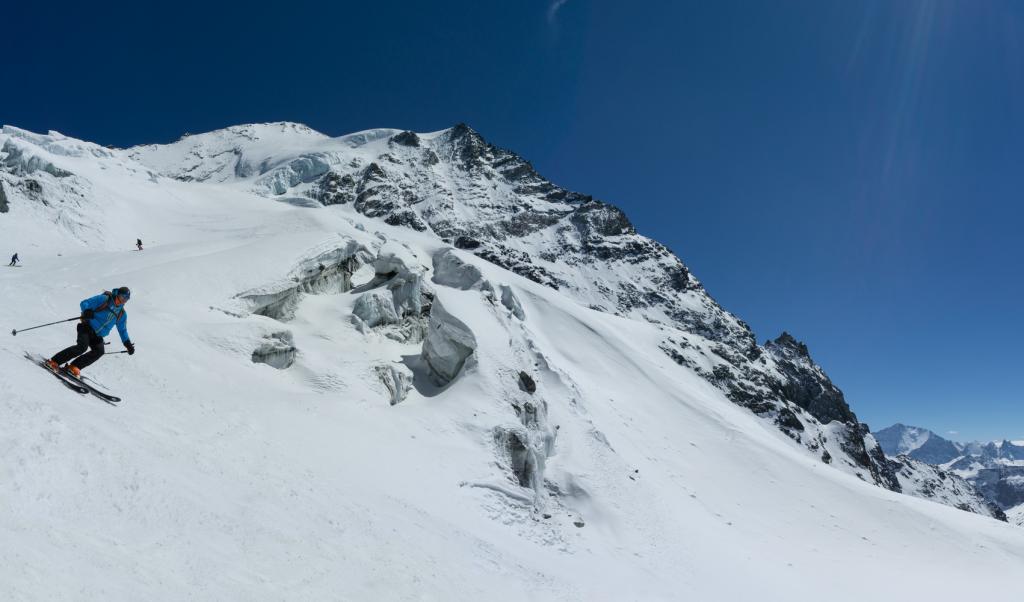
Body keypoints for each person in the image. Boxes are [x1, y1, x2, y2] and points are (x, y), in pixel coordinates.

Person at [47, 287, 135, 377]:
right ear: (117, 294)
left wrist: (127, 344)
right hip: (87, 326)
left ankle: (74, 366)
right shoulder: (104, 299)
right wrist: (87, 311)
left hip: (98, 335)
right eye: (122, 297)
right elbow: (84, 303)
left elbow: (122, 330)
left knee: (99, 351)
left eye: (126, 299)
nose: (123, 300)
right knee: (82, 347)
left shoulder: (122, 314)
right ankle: (54, 361)